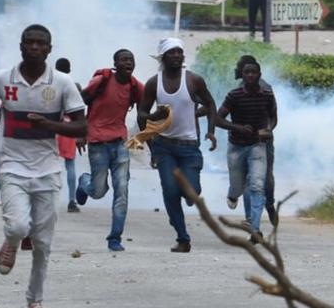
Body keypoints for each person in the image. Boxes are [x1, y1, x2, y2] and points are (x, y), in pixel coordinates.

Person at [0, 24, 86, 308]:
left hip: (47, 169)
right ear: (21, 46)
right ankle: (10, 241)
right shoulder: (3, 79)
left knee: (42, 243)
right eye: (29, 42)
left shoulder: (62, 83)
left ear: (49, 49)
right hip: (11, 165)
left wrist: (50, 126)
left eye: (40, 43)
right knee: (19, 227)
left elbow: (82, 125)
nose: (34, 47)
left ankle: (34, 301)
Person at [136, 37, 217, 253]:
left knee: (192, 194)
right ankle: (183, 238)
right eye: (171, 53)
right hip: (164, 146)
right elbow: (141, 114)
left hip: (189, 147)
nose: (176, 56)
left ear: (183, 56)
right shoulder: (154, 83)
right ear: (162, 57)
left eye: (179, 52)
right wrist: (152, 141)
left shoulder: (193, 81)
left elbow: (210, 104)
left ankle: (183, 204)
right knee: (170, 191)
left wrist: (210, 131)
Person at [75, 49, 144, 251]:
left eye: (131, 59)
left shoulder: (135, 87)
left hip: (120, 144)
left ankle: (115, 238)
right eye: (124, 60)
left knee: (122, 191)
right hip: (97, 143)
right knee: (98, 191)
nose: (128, 63)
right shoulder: (101, 81)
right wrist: (80, 132)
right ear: (115, 64)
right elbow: (79, 102)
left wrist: (151, 141)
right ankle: (84, 182)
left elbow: (143, 115)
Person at [216, 60, 277, 241]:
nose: (250, 75)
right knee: (238, 186)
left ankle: (255, 229)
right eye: (247, 73)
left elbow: (273, 117)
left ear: (259, 74)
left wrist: (268, 129)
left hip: (257, 146)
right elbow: (218, 119)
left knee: (257, 185)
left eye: (253, 72)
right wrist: (238, 128)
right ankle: (233, 194)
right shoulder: (234, 96)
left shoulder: (267, 94)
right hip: (236, 147)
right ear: (242, 76)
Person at [233, 56, 278, 226]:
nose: (236, 70)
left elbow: (272, 114)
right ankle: (251, 217)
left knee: (264, 177)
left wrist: (267, 130)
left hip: (262, 141)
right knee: (248, 178)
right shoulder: (238, 88)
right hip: (244, 141)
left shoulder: (265, 88)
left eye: (238, 67)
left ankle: (269, 203)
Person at [53, 58, 80, 214]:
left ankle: (51, 198)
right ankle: (72, 200)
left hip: (54, 128)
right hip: (69, 128)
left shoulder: (51, 85)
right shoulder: (74, 87)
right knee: (70, 165)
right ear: (69, 70)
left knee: (50, 164)